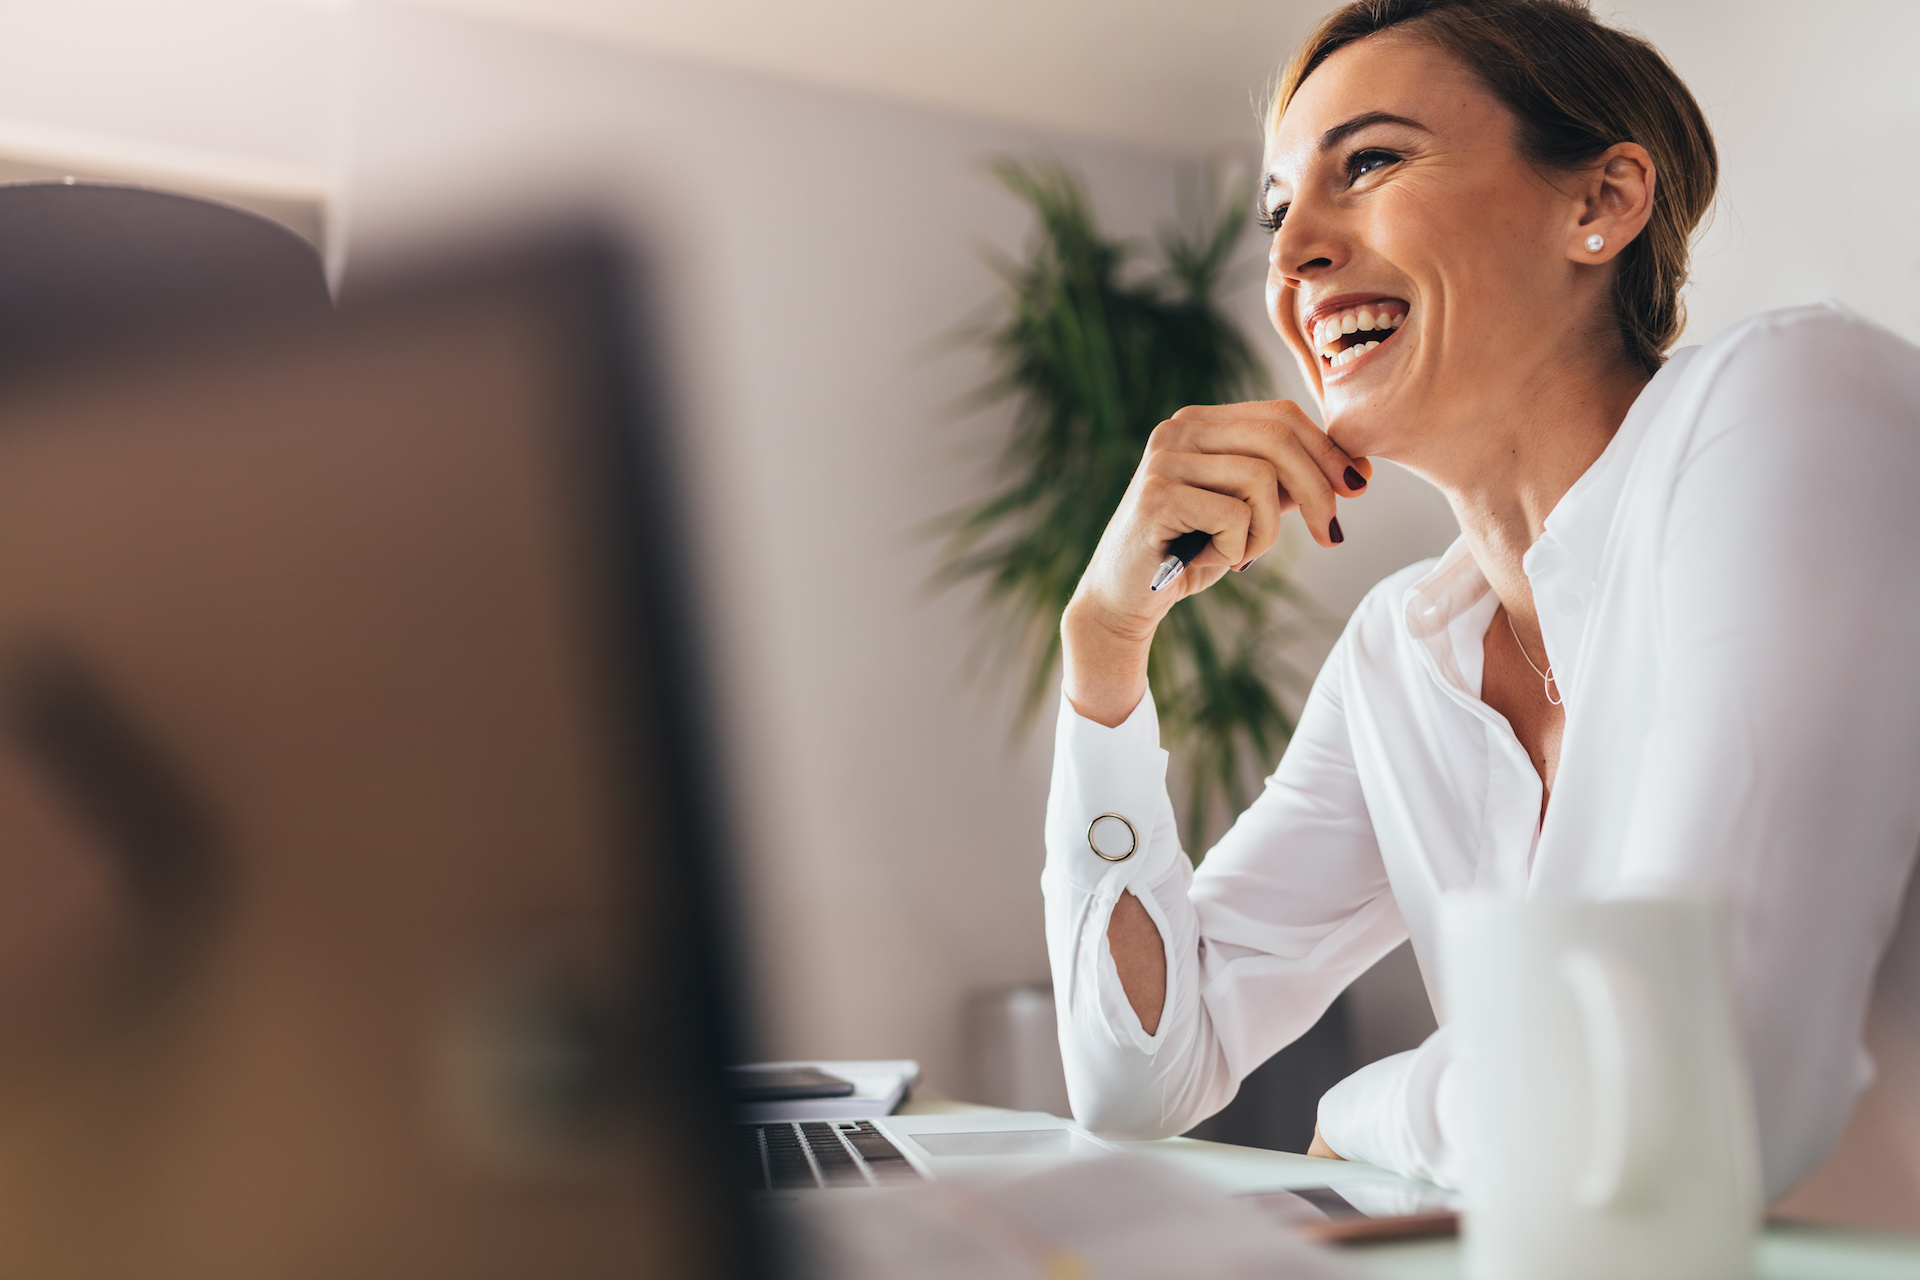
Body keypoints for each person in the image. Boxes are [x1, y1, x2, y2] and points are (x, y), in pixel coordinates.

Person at [1043, 0, 1920, 1220]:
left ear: (1601, 203)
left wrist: (1362, 1112)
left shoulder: (1796, 399)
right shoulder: (1402, 660)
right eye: (1279, 208)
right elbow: (1139, 1074)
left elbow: (1698, 1083)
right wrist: (1104, 648)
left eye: (1372, 161)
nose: (1293, 252)